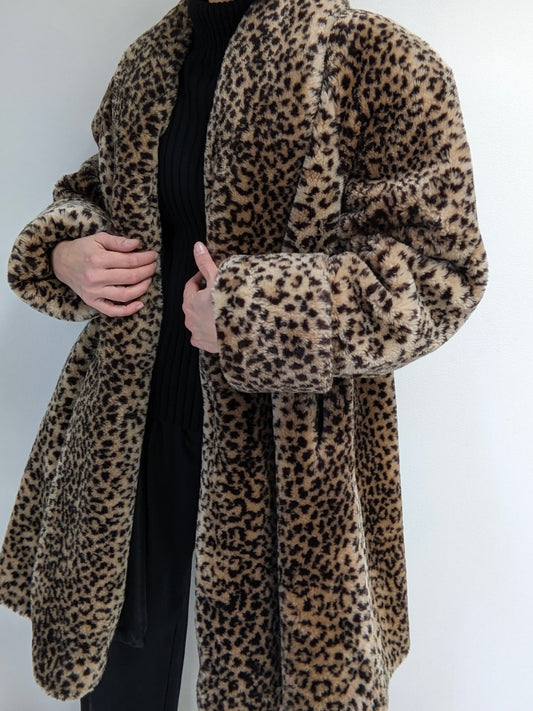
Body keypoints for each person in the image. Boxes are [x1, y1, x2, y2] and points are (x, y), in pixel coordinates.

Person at [0, 0, 488, 709]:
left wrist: (256, 315)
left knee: (274, 683)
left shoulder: (376, 58)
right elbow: (93, 191)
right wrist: (65, 253)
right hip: (130, 441)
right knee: (121, 682)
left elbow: (441, 273)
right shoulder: (148, 62)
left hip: (292, 463)